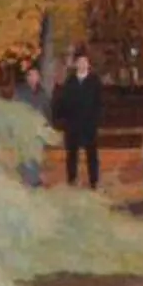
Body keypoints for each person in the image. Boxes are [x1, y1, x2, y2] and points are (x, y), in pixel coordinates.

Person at [54, 48, 104, 189]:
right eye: (79, 62)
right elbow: (64, 101)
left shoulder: (94, 81)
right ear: (76, 64)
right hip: (72, 124)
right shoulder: (70, 81)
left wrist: (96, 120)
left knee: (92, 155)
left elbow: (99, 102)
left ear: (88, 64)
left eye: (85, 62)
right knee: (72, 154)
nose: (82, 64)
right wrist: (62, 119)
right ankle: (72, 179)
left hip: (89, 124)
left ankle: (93, 181)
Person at [14, 64, 51, 187]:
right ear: (27, 77)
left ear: (39, 77)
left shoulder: (42, 93)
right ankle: (26, 179)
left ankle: (36, 179)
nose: (33, 77)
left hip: (38, 130)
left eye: (35, 75)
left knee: (37, 155)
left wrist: (47, 127)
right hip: (25, 130)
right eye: (30, 75)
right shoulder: (20, 93)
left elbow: (47, 111)